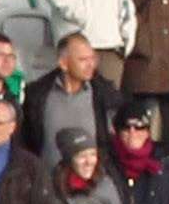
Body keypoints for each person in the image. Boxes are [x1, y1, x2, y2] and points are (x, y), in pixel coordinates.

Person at [21, 33, 129, 166]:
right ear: (63, 63)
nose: (91, 65)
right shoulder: (37, 94)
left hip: (93, 181)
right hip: (48, 181)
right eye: (83, 60)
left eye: (92, 58)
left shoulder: (105, 94)